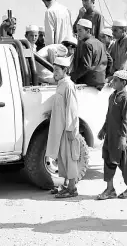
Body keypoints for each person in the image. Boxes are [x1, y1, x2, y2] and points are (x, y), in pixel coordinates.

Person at [96, 70, 127, 200]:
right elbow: (109, 115)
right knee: (108, 160)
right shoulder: (112, 96)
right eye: (113, 79)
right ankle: (110, 189)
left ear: (123, 82)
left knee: (126, 163)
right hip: (111, 136)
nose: (112, 82)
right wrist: (103, 129)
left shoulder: (126, 98)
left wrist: (123, 137)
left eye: (115, 80)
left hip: (122, 137)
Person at [45, 57, 80, 198]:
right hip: (60, 129)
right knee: (62, 159)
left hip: (67, 129)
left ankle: (72, 188)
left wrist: (71, 129)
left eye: (57, 70)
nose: (54, 73)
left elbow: (72, 109)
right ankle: (65, 186)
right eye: (53, 70)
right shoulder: (60, 84)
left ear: (65, 70)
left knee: (69, 158)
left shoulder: (68, 85)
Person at [70, 19, 109, 90]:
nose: (78, 33)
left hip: (91, 80)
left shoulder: (87, 44)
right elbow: (110, 60)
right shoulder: (100, 43)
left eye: (80, 30)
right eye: (77, 30)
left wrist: (72, 77)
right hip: (101, 80)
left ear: (88, 31)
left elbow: (86, 66)